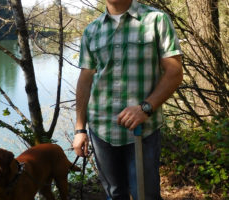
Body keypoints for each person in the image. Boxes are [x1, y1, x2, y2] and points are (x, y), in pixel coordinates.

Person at [72, 0, 183, 199]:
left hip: (143, 131)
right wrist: (80, 129)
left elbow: (174, 73)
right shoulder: (92, 30)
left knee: (145, 195)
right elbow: (85, 80)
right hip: (101, 131)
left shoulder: (156, 20)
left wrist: (145, 108)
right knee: (114, 194)